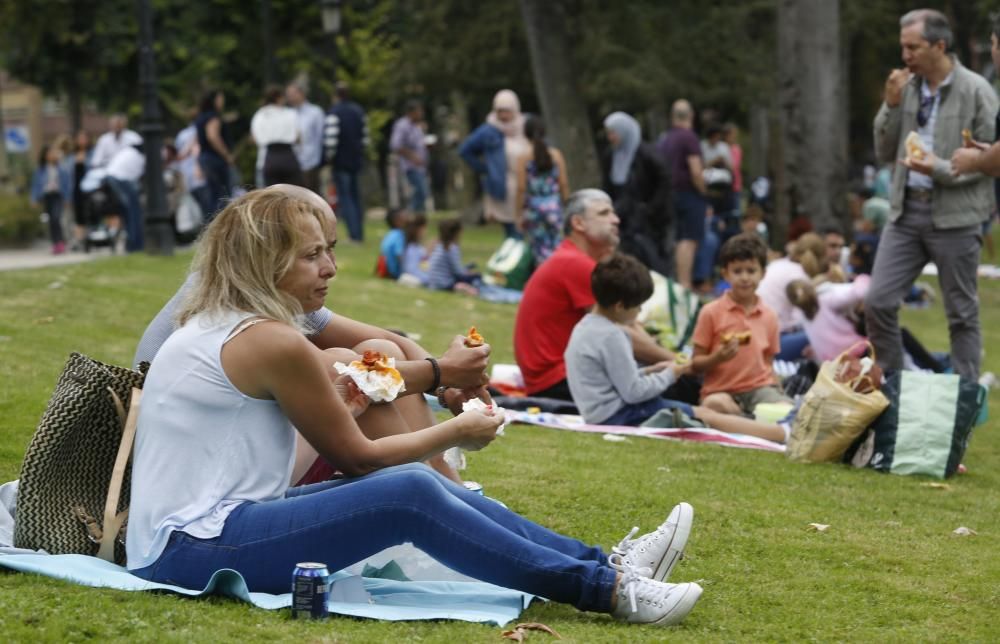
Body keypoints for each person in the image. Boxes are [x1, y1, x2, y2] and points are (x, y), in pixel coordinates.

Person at [124, 186, 704, 627]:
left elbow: (374, 362)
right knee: (407, 491)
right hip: (190, 548)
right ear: (265, 263)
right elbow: (357, 458)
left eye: (328, 251)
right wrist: (457, 428)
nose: (331, 268)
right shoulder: (269, 339)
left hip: (206, 530)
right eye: (312, 256)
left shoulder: (225, 320)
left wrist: (416, 391)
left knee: (417, 483)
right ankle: (606, 592)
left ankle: (608, 565)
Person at [870, 9, 996, 383]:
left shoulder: (977, 90)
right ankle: (894, 387)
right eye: (903, 47)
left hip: (957, 217)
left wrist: (937, 168)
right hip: (905, 213)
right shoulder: (906, 87)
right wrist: (890, 105)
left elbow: (990, 161)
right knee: (878, 302)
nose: (905, 55)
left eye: (914, 47)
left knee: (961, 314)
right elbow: (884, 151)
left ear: (939, 46)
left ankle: (965, 397)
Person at [566, 253, 788, 442]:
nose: (640, 312)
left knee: (704, 412)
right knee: (706, 415)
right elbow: (634, 393)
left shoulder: (584, 327)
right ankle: (781, 434)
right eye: (638, 306)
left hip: (601, 414)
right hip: (623, 416)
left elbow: (615, 380)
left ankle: (772, 430)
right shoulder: (612, 335)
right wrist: (671, 373)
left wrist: (651, 371)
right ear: (620, 306)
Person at [514, 189, 674, 399]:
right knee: (680, 385)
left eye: (613, 213)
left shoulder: (572, 258)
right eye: (604, 213)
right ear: (578, 223)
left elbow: (629, 325)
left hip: (560, 375)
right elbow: (622, 333)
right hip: (557, 379)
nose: (615, 219)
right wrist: (678, 362)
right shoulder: (575, 264)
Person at [690, 234, 792, 417]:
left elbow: (768, 362)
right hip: (720, 390)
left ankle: (746, 421)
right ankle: (748, 420)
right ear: (725, 274)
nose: (745, 278)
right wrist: (718, 357)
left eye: (751, 271)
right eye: (737, 271)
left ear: (763, 273)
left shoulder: (769, 315)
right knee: (714, 405)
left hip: (759, 388)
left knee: (786, 410)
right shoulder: (711, 312)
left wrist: (779, 392)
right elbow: (696, 364)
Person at [602, 112, 672, 276]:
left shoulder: (646, 153)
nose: (611, 138)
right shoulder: (611, 155)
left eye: (613, 133)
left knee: (654, 259)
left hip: (649, 220)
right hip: (625, 218)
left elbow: (664, 180)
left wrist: (651, 208)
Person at [459, 90, 530, 238]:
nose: (503, 116)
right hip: (503, 185)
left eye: (506, 111)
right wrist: (485, 169)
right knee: (513, 228)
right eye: (500, 111)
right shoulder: (489, 131)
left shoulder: (525, 126)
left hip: (526, 183)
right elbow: (465, 150)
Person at [755, 232, 828, 360]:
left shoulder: (778, 264)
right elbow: (802, 319)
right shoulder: (799, 275)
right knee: (825, 333)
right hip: (773, 343)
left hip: (759, 337)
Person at [658, 100, 708, 289]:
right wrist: (704, 191)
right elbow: (696, 171)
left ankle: (678, 283)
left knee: (678, 237)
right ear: (691, 115)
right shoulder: (689, 137)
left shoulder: (665, 139)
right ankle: (685, 285)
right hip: (688, 194)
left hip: (669, 194)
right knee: (688, 239)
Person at [514, 115, 569, 265]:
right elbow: (563, 183)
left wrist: (518, 214)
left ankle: (544, 273)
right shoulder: (556, 155)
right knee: (558, 244)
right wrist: (567, 206)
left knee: (539, 247)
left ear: (526, 133)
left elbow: (521, 188)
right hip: (554, 206)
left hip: (534, 208)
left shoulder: (523, 157)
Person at [325, 82, 369, 242]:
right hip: (355, 160)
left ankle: (353, 234)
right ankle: (359, 232)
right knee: (356, 197)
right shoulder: (358, 111)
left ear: (335, 95)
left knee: (346, 197)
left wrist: (329, 158)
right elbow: (365, 138)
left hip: (341, 161)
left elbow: (331, 141)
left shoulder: (334, 112)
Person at [195, 89, 236, 219]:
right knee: (222, 195)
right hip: (215, 159)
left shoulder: (201, 117)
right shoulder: (213, 116)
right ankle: (220, 224)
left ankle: (213, 223)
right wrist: (226, 154)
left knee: (213, 193)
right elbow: (213, 136)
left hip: (205, 157)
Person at [251, 85, 302, 187]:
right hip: (288, 156)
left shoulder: (260, 114)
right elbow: (297, 137)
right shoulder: (290, 113)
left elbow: (255, 138)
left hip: (269, 157)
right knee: (292, 192)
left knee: (271, 193)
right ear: (279, 98)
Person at [30, 144, 73, 255]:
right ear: (45, 155)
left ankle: (61, 242)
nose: (52, 155)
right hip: (46, 196)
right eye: (49, 153)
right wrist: (34, 198)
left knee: (56, 218)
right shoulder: (40, 170)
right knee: (51, 221)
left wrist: (67, 198)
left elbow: (67, 184)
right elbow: (35, 185)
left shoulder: (61, 168)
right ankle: (55, 244)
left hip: (58, 196)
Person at [104, 141, 146, 253]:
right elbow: (140, 177)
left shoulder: (127, 151)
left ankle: (130, 243)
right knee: (134, 212)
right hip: (121, 180)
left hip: (110, 178)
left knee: (126, 213)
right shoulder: (141, 157)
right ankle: (135, 244)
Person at [286, 81, 325, 195]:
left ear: (301, 94)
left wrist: (317, 161)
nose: (290, 97)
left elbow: (320, 137)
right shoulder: (288, 113)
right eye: (288, 95)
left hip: (311, 162)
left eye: (292, 94)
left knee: (312, 196)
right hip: (292, 163)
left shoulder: (315, 112)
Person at [390, 100, 429, 213]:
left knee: (422, 191)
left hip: (420, 166)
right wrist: (413, 157)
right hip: (410, 166)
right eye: (419, 111)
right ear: (411, 112)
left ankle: (417, 216)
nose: (421, 114)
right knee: (422, 191)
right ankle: (409, 213)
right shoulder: (402, 125)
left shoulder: (416, 126)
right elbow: (396, 145)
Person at [427, 219, 480, 294]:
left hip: (433, 284)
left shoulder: (438, 245)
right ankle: (463, 287)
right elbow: (458, 272)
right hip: (446, 284)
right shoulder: (452, 248)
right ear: (456, 233)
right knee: (477, 277)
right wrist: (470, 273)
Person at [69, 131, 94, 250]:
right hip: (76, 189)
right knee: (78, 215)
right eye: (80, 138)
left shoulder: (92, 153)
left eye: (84, 138)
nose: (82, 141)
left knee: (91, 213)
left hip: (90, 188)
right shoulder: (72, 156)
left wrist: (84, 161)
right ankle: (80, 241)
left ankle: (91, 238)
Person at [376, 207, 409, 280]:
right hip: (396, 273)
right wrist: (408, 269)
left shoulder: (389, 235)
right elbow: (399, 256)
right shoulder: (399, 236)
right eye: (405, 217)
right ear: (397, 221)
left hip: (388, 272)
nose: (408, 219)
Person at [399, 213, 430, 286]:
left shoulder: (418, 248)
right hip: (418, 278)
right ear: (418, 230)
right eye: (424, 228)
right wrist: (428, 279)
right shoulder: (412, 249)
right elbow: (411, 269)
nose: (426, 231)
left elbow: (425, 265)